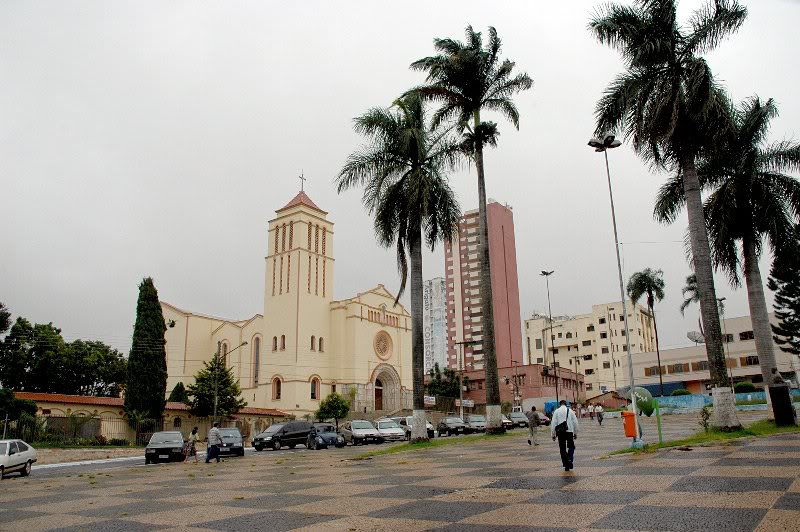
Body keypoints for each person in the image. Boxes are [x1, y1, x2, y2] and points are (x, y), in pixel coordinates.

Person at [550, 399, 578, 471]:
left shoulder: (556, 411)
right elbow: (575, 422)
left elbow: (553, 423)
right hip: (569, 431)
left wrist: (553, 434)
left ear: (560, 404)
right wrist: (575, 433)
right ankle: (570, 458)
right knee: (571, 446)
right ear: (566, 404)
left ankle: (566, 464)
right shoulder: (571, 411)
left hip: (560, 432)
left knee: (562, 448)